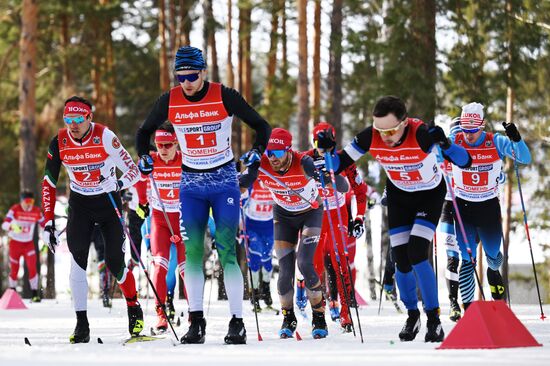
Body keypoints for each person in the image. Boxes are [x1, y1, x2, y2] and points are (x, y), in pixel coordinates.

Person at [136, 46, 271, 344]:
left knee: (226, 252)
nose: (186, 82)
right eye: (181, 76)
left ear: (204, 71)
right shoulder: (169, 99)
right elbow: (143, 131)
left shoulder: (225, 95)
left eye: (192, 75)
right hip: (192, 183)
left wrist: (258, 152)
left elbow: (262, 125)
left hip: (223, 181)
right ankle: (196, 321)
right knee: (194, 253)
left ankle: (237, 322)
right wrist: (143, 157)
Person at [316, 95, 471, 342]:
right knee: (400, 258)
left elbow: (465, 161)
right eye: (380, 130)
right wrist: (327, 150)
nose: (385, 137)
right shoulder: (370, 136)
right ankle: (412, 315)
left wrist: (445, 143)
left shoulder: (419, 133)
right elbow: (336, 165)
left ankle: (433, 319)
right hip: (400, 197)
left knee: (417, 252)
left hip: (429, 195)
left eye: (391, 131)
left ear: (404, 123)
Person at [41, 96, 143, 343]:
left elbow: (134, 170)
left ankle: (133, 305)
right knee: (78, 261)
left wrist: (117, 183)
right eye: (68, 119)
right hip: (80, 205)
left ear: (89, 118)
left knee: (114, 262)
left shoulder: (105, 136)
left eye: (77, 119)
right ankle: (82, 324)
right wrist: (47, 221)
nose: (72, 125)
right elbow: (49, 183)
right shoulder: (60, 141)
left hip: (108, 204)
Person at [239, 127, 348, 339]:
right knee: (285, 274)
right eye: (269, 153)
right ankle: (288, 317)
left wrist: (324, 173)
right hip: (283, 217)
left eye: (278, 153)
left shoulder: (303, 162)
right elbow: (244, 182)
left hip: (311, 213)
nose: (273, 158)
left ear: (289, 150)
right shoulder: (262, 162)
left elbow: (342, 187)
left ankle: (318, 316)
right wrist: (240, 177)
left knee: (305, 263)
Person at [449, 102, 531, 309]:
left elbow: (525, 158)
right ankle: (468, 311)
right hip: (463, 206)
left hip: (488, 207)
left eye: (473, 131)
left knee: (494, 258)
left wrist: (516, 139)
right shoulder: (455, 140)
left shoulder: (495, 141)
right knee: (467, 259)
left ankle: (493, 270)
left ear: (482, 126)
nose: (469, 135)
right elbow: (436, 156)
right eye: (465, 129)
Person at [306, 121, 368, 332]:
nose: (325, 152)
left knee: (339, 258)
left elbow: (360, 192)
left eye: (329, 147)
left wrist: (359, 217)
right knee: (313, 264)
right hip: (314, 214)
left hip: (338, 213)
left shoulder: (345, 161)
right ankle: (319, 313)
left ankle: (346, 313)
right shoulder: (306, 158)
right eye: (320, 147)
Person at [136, 122, 186, 333]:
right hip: (159, 219)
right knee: (160, 265)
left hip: (183, 218)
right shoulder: (152, 160)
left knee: (187, 269)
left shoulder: (186, 160)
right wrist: (142, 203)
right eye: (159, 145)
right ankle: (161, 314)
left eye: (167, 145)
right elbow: (139, 179)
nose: (163, 150)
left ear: (176, 143)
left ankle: (195, 315)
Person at [2, 191, 44, 302]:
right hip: (15, 243)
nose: (29, 204)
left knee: (32, 267)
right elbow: (4, 225)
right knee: (14, 269)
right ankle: (13, 293)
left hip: (28, 244)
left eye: (31, 201)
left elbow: (44, 224)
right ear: (21, 201)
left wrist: (48, 234)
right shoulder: (15, 209)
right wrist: (13, 227)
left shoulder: (36, 211)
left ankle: (35, 294)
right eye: (27, 201)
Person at [241, 179, 275, 311]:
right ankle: (254, 295)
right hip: (253, 226)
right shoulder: (251, 183)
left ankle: (266, 292)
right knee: (254, 260)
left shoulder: (274, 181)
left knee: (267, 261)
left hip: (269, 226)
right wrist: (240, 227)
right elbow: (242, 204)